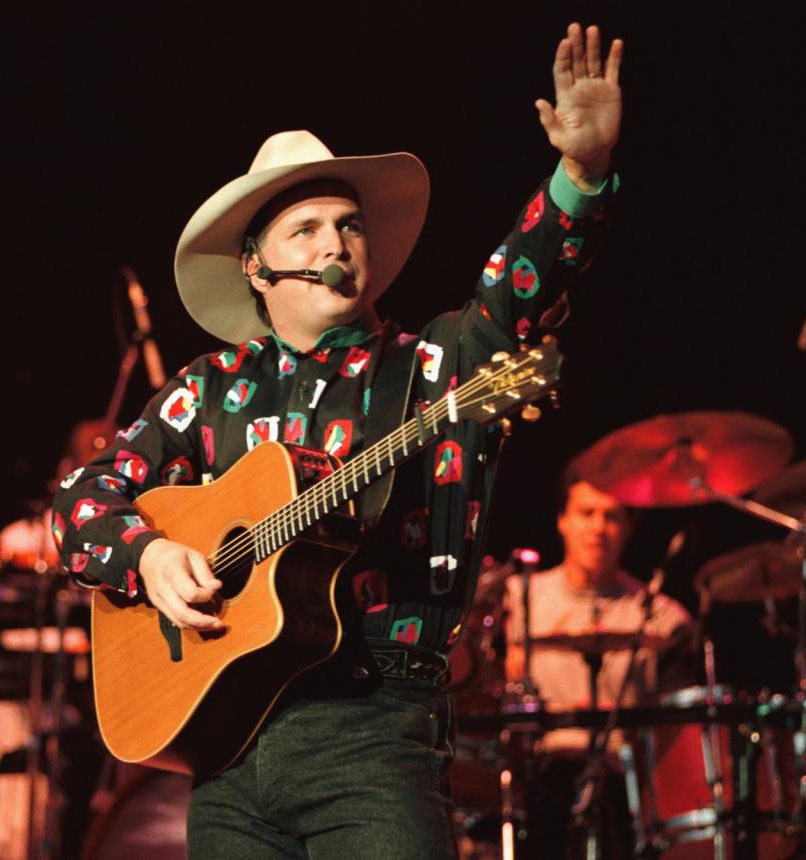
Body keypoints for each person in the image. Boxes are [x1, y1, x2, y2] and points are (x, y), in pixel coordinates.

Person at [53, 22, 623, 859]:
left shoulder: (436, 365)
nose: (335, 244)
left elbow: (520, 294)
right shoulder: (208, 389)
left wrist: (580, 175)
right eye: (307, 229)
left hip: (375, 735)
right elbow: (82, 501)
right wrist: (148, 558)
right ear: (257, 268)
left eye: (349, 226)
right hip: (224, 752)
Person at [501, 467, 693, 858]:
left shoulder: (663, 618)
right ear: (562, 521)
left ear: (629, 526)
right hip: (539, 782)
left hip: (629, 793)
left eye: (612, 516)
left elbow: (679, 734)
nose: (598, 528)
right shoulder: (518, 600)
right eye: (586, 513)